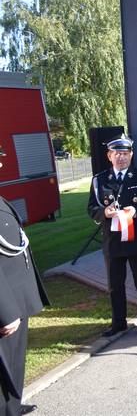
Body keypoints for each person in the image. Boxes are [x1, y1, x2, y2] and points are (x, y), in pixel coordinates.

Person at [87, 135, 137, 339]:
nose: (121, 157)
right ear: (109, 156)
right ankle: (119, 323)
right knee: (115, 286)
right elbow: (91, 208)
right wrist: (104, 213)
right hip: (113, 241)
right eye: (117, 153)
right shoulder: (99, 180)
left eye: (125, 153)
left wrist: (136, 211)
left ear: (131, 155)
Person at [1, 145, 49, 416]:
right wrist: (6, 312)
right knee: (4, 362)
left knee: (15, 360)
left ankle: (13, 406)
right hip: (6, 303)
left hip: (16, 296)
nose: (0, 166)